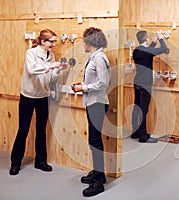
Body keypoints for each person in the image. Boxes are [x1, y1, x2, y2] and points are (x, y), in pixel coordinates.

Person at [9, 29, 67, 175]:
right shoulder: (31, 53)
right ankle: (15, 163)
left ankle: (40, 161)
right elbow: (31, 70)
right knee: (23, 129)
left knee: (41, 130)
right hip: (28, 96)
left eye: (54, 41)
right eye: (51, 41)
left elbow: (51, 78)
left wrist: (58, 69)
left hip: (43, 97)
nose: (54, 44)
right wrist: (50, 66)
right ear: (43, 41)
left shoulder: (51, 56)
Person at [71, 27, 110, 197]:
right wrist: (83, 84)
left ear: (90, 41)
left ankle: (99, 181)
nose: (82, 43)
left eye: (83, 40)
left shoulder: (99, 58)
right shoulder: (95, 57)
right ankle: (98, 172)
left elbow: (103, 83)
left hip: (97, 104)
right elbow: (96, 80)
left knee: (95, 142)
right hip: (93, 102)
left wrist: (83, 87)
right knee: (94, 141)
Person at [130, 30, 169, 143]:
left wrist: (153, 41)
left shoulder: (136, 50)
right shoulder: (147, 51)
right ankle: (143, 136)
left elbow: (148, 52)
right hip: (145, 83)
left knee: (136, 108)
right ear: (146, 39)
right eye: (148, 37)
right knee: (143, 110)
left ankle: (135, 132)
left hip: (137, 82)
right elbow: (163, 48)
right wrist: (161, 38)